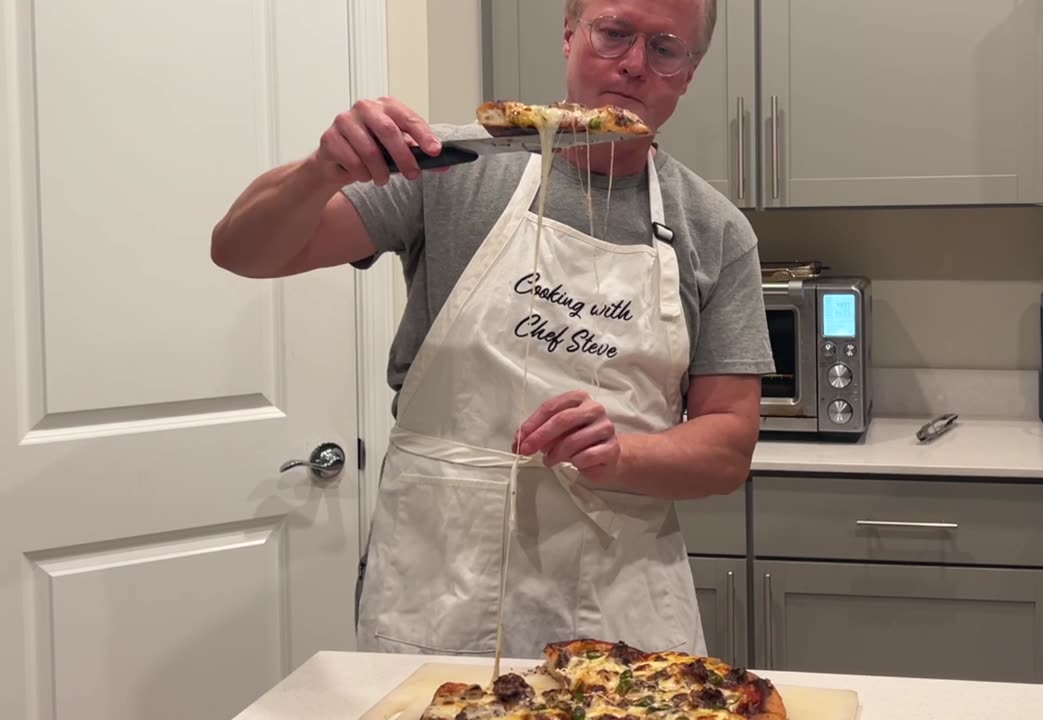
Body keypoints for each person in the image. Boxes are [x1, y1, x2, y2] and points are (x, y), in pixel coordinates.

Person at [210, 0, 773, 658]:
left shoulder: (715, 230)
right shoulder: (454, 168)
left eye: (665, 48)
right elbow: (244, 253)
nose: (633, 64)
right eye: (614, 33)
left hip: (620, 597)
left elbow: (728, 446)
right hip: (440, 580)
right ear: (570, 35)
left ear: (689, 71)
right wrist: (319, 171)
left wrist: (619, 455)